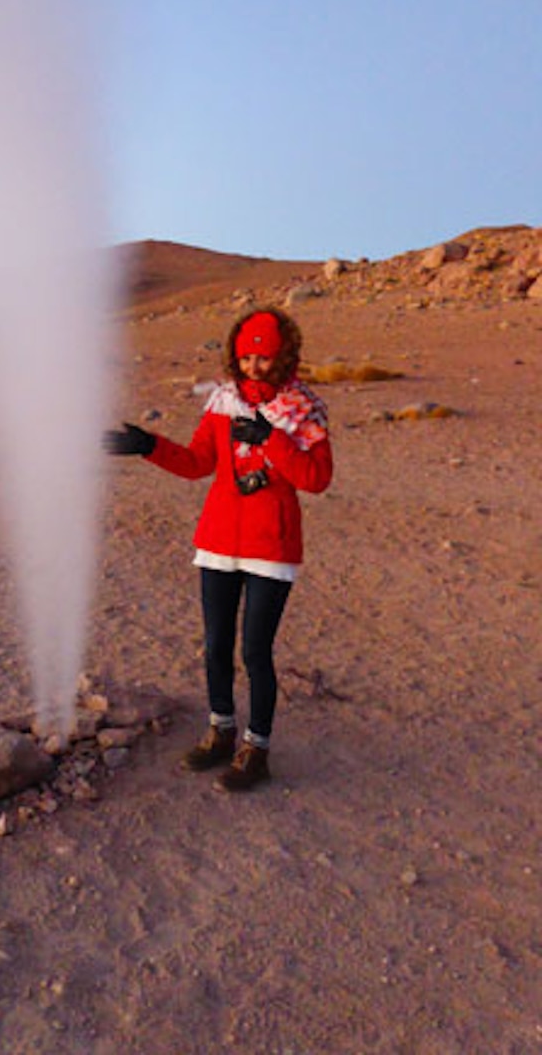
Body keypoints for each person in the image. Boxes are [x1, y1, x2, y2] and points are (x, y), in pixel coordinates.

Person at [103, 306, 333, 792]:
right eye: (246, 357)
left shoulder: (302, 409)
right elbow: (195, 463)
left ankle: (257, 749)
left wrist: (272, 441)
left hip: (271, 546)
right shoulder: (223, 402)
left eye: (264, 358)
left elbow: (316, 479)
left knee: (255, 652)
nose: (254, 367)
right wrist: (149, 445)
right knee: (214, 648)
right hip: (219, 540)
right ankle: (221, 732)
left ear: (284, 357)